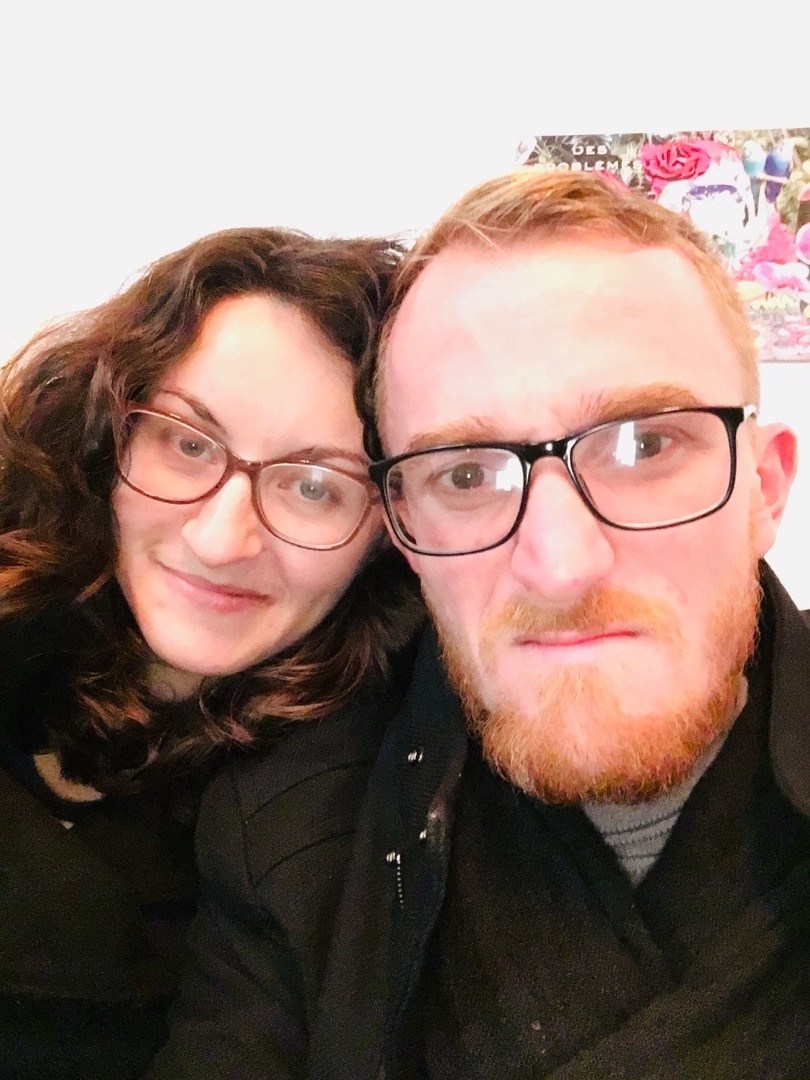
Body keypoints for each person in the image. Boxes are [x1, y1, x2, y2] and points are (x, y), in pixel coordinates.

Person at [151, 171, 810, 1079]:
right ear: (404, 530)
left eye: (644, 445)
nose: (560, 563)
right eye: (465, 475)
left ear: (764, 489)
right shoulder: (289, 833)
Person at [0, 226, 421, 1079]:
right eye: (189, 443)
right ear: (110, 433)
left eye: (314, 486)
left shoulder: (359, 826)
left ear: (386, 530)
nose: (221, 538)